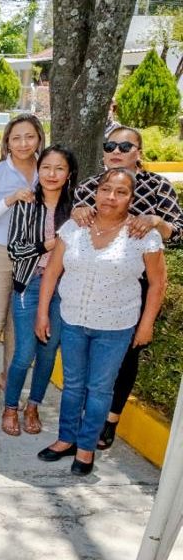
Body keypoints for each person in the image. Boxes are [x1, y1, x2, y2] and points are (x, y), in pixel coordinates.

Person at [36, 168, 166, 475]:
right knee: (73, 385)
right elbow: (52, 272)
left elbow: (158, 284)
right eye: (106, 189)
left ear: (131, 198)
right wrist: (43, 312)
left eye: (121, 192)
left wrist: (146, 325)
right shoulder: (75, 226)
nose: (111, 197)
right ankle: (66, 438)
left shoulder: (143, 235)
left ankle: (86, 447)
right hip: (73, 320)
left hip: (116, 326)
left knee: (99, 389)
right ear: (96, 191)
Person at [72, 125, 183, 449]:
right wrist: (79, 213)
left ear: (139, 152)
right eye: (110, 145)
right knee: (89, 356)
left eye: (125, 145)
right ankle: (86, 416)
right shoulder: (90, 187)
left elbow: (178, 232)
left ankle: (110, 421)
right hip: (96, 285)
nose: (116, 151)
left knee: (127, 356)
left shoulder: (158, 187)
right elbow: (77, 233)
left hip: (137, 284)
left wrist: (155, 222)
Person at [0, 114, 45, 419]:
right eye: (16, 138)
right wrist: (10, 200)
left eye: (29, 136)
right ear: (7, 142)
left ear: (39, 138)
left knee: (19, 325)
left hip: (34, 259)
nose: (23, 143)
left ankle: (8, 378)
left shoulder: (49, 170)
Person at [2, 146, 75, 436]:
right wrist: (47, 245)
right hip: (29, 284)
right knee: (23, 353)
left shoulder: (76, 210)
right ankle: (10, 407)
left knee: (47, 353)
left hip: (64, 288)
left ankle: (32, 406)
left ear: (69, 173)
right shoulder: (27, 203)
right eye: (46, 167)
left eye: (59, 168)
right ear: (38, 170)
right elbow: (15, 249)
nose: (52, 174)